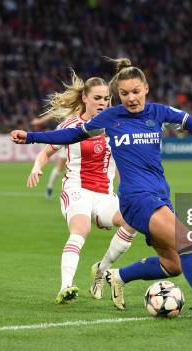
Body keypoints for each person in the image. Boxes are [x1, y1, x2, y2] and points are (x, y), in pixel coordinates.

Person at [11, 58, 192, 321]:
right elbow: (71, 135)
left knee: (173, 266)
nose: (131, 98)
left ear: (146, 88)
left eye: (136, 91)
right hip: (136, 199)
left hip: (160, 195)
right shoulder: (110, 118)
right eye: (124, 94)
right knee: (186, 241)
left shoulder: (159, 113)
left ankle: (119, 275)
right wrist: (31, 137)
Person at [26, 71, 137, 304]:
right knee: (81, 230)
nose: (103, 103)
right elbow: (47, 151)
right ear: (85, 98)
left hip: (104, 194)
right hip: (77, 190)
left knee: (132, 220)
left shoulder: (115, 125)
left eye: (106, 98)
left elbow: (120, 163)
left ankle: (102, 269)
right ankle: (66, 286)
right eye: (97, 98)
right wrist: (37, 167)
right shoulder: (72, 125)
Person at [30, 113, 67, 199]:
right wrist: (40, 121)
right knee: (61, 166)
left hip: (77, 138)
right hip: (65, 136)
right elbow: (53, 113)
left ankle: (69, 191)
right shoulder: (71, 105)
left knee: (71, 167)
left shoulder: (85, 107)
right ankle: (50, 187)